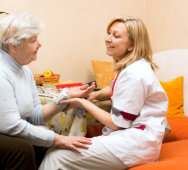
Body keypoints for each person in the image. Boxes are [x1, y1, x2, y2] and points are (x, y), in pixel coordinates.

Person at [0, 13, 95, 170]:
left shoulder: (23, 69)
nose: (40, 44)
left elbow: (34, 116)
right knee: (22, 150)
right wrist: (57, 138)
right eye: (33, 40)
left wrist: (64, 99)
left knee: (43, 146)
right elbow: (10, 126)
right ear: (13, 45)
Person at [39, 16, 168, 170]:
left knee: (56, 156)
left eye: (116, 36)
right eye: (108, 33)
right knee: (57, 151)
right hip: (135, 140)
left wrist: (83, 102)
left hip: (135, 143)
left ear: (132, 45)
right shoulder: (133, 67)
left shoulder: (134, 74)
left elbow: (117, 124)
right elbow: (115, 88)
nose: (107, 39)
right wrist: (95, 95)